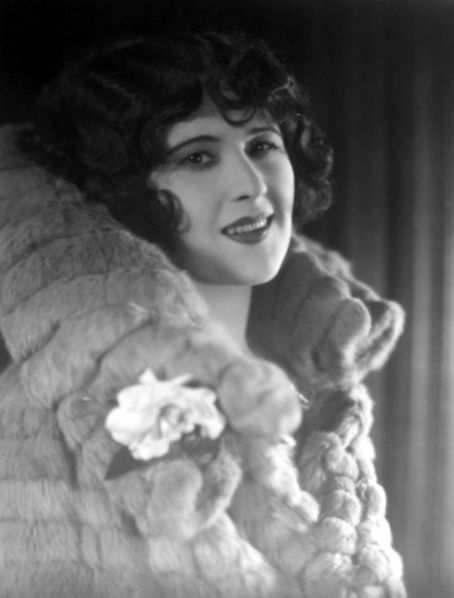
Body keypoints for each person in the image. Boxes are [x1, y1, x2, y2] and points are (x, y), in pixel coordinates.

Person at [0, 31, 406, 597]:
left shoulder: (324, 385)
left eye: (262, 145)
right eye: (197, 157)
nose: (251, 185)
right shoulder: (57, 413)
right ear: (122, 190)